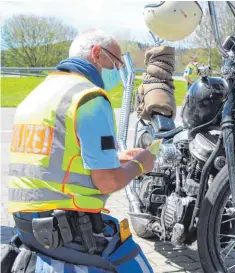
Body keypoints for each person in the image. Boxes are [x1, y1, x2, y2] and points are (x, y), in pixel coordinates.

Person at [7, 28, 155, 272]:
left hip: (29, 229)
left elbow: (54, 160)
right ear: (97, 54)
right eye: (116, 63)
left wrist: (114, 159)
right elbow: (107, 181)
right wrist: (140, 164)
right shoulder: (88, 97)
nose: (117, 71)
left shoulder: (37, 95)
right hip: (71, 232)